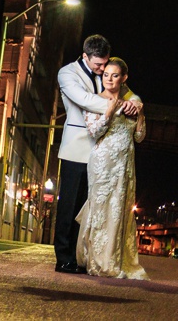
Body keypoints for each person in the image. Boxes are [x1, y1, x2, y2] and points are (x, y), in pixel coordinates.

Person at [53, 35, 142, 273]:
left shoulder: (106, 71)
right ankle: (63, 257)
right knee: (70, 207)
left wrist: (136, 103)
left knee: (91, 210)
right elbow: (86, 100)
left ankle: (82, 256)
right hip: (77, 147)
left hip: (102, 153)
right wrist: (124, 106)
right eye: (99, 65)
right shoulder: (67, 74)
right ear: (85, 56)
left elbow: (129, 93)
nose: (103, 70)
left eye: (105, 65)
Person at [74, 57, 148, 279]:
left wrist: (141, 113)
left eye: (114, 75)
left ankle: (115, 259)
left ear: (124, 78)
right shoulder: (95, 100)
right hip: (102, 163)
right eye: (106, 74)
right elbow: (94, 133)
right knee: (101, 209)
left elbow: (140, 137)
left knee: (119, 212)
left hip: (125, 166)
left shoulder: (133, 102)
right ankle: (97, 261)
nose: (109, 79)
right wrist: (108, 111)